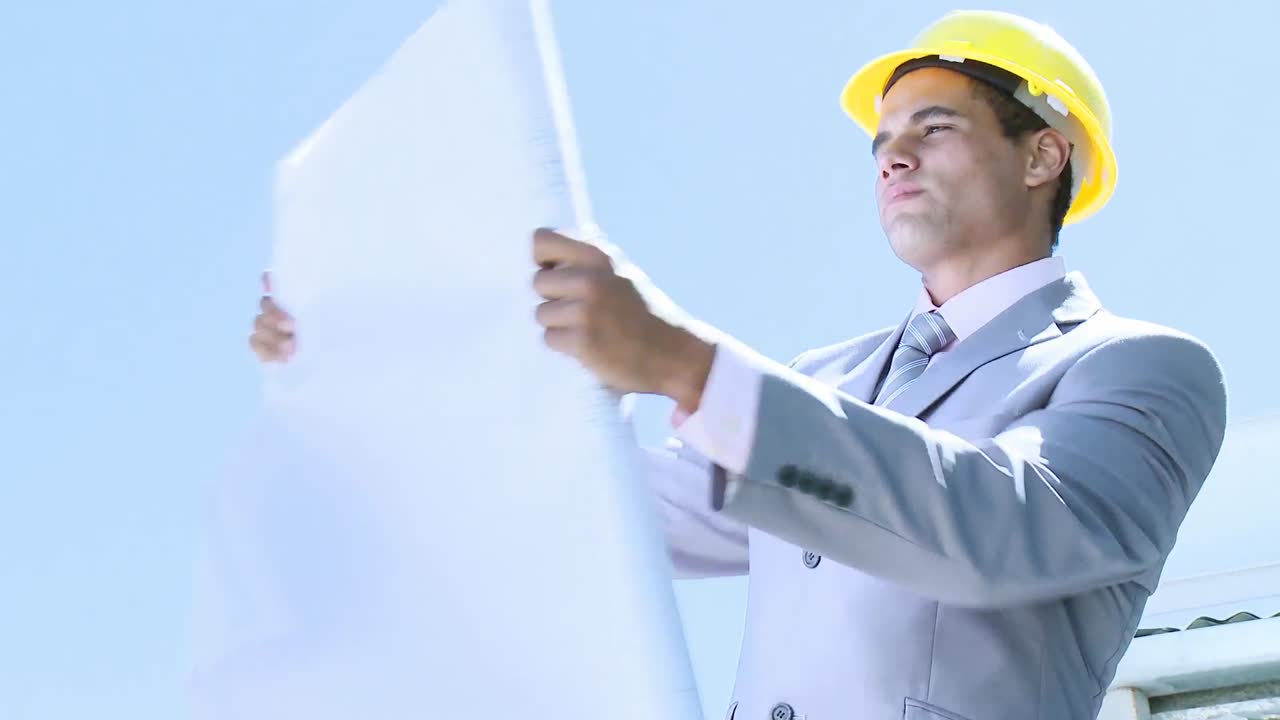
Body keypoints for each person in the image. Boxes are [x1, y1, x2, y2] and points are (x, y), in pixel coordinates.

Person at [249, 10, 1227, 720]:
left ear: (1040, 156)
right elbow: (599, 510)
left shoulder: (1139, 368)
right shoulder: (826, 376)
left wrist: (684, 366)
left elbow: (1009, 525)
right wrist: (371, 374)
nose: (889, 158)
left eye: (932, 127)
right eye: (879, 142)